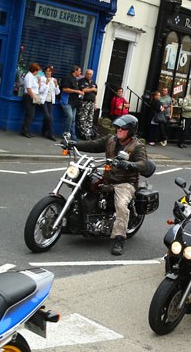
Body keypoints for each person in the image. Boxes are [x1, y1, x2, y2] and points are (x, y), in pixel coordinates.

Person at [71, 114, 148, 256]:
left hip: (125, 182)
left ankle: (119, 238)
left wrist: (129, 164)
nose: (119, 130)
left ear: (130, 130)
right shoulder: (110, 140)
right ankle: (74, 221)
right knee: (84, 185)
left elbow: (143, 164)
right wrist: (74, 143)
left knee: (121, 205)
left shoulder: (137, 146)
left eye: (123, 128)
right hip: (107, 178)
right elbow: (93, 145)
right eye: (118, 127)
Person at [59, 64, 83, 140]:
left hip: (74, 102)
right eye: (79, 71)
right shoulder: (67, 78)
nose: (80, 73)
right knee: (70, 117)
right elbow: (65, 89)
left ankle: (73, 136)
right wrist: (77, 91)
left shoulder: (75, 79)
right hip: (67, 101)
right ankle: (66, 134)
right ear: (75, 71)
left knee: (73, 120)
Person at [19, 62, 42, 139]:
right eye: (37, 70)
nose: (38, 72)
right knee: (29, 115)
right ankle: (24, 131)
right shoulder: (29, 76)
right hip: (29, 97)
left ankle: (27, 130)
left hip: (32, 97)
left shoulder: (33, 77)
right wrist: (34, 98)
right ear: (34, 70)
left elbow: (36, 87)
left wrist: (39, 81)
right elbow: (29, 88)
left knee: (31, 115)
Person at [38, 66, 59, 141]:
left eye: (49, 71)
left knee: (48, 117)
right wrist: (46, 84)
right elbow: (40, 91)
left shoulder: (54, 80)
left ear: (51, 72)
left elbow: (57, 92)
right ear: (45, 72)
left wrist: (56, 84)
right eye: (47, 71)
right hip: (43, 100)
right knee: (48, 117)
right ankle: (51, 134)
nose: (48, 72)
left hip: (50, 101)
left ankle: (44, 131)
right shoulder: (42, 79)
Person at [76, 68, 98, 140]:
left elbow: (95, 95)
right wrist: (92, 89)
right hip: (84, 102)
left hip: (91, 103)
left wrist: (95, 104)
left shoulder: (94, 83)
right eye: (88, 74)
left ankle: (88, 134)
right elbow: (83, 90)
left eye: (90, 74)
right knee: (83, 119)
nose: (89, 75)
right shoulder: (81, 81)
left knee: (90, 119)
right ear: (85, 74)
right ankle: (83, 134)